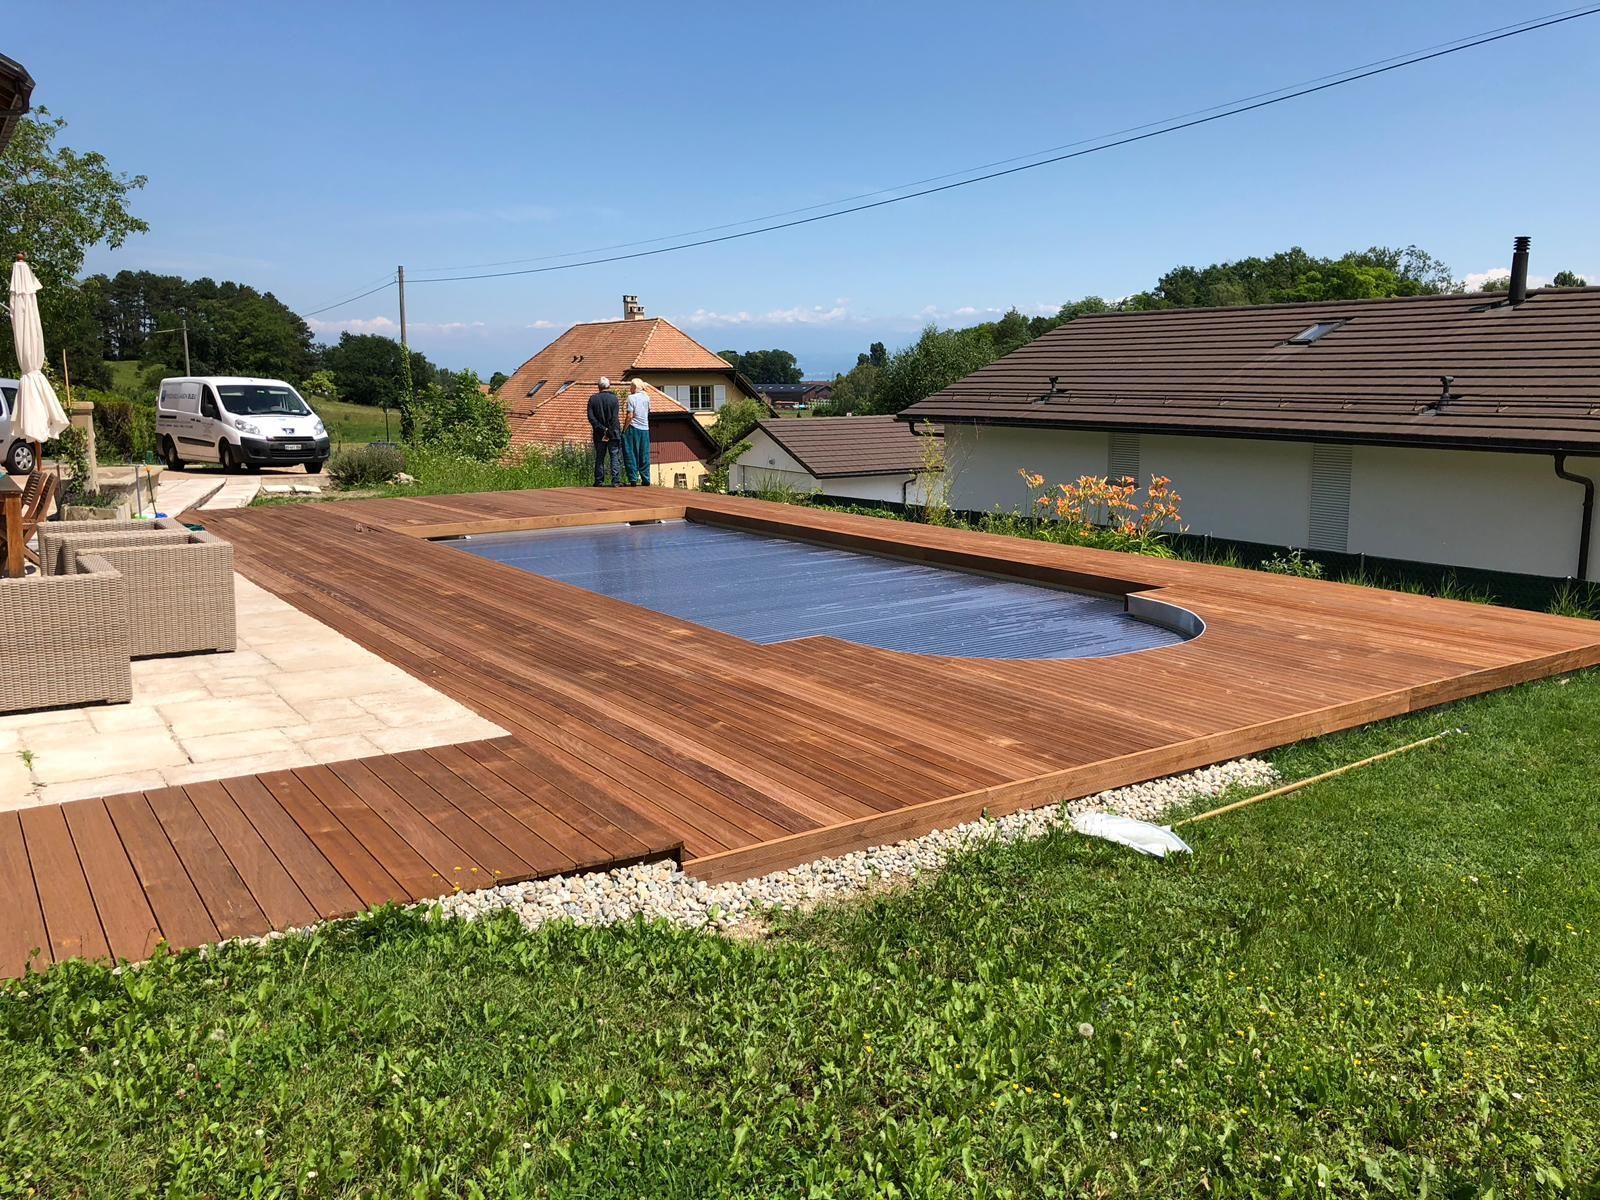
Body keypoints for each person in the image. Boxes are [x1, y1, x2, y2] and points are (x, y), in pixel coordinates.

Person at [586, 376, 622, 486]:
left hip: (599, 433)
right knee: (614, 457)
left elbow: (591, 417)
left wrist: (602, 429)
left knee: (600, 457)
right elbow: (615, 417)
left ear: (598, 387)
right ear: (609, 386)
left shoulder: (593, 399)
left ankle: (599, 481)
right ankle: (615, 481)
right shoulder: (614, 399)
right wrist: (610, 429)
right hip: (613, 433)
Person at [622, 378, 652, 486]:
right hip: (645, 428)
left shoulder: (631, 398)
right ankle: (646, 478)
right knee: (644, 454)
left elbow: (630, 415)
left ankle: (633, 478)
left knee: (631, 453)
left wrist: (624, 429)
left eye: (631, 386)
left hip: (633, 427)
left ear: (635, 387)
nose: (630, 389)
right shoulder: (647, 398)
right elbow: (648, 411)